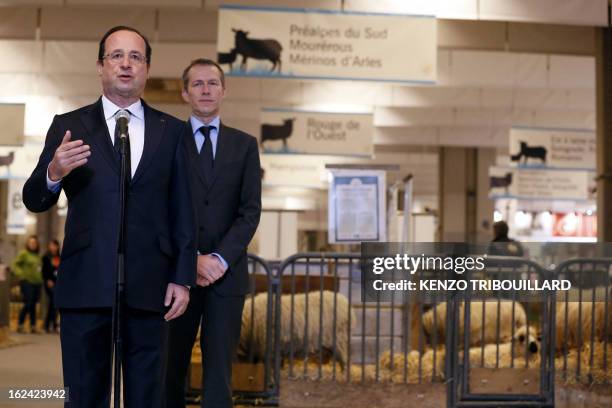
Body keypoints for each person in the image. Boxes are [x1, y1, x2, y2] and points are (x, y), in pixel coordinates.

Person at [22, 26, 196, 408]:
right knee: (83, 396)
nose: (126, 64)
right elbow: (34, 200)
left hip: (151, 289)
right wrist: (53, 173)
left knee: (148, 397)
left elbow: (184, 211)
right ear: (100, 66)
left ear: (147, 69)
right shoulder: (70, 125)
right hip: (86, 284)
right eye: (116, 55)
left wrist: (182, 278)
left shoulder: (174, 132)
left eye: (135, 57)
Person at [165, 59, 261, 408]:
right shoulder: (167, 141)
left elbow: (249, 212)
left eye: (212, 83)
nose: (205, 90)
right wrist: (190, 260)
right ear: (185, 92)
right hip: (177, 275)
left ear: (224, 90)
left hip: (227, 276)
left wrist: (218, 259)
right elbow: (159, 209)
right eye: (198, 84)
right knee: (169, 368)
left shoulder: (245, 145)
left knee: (219, 370)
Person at [12, 235, 43, 334]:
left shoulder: (38, 256)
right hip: (26, 282)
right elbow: (14, 264)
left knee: (33, 304)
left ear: (37, 244)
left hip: (37, 283)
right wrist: (21, 274)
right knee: (29, 303)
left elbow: (39, 269)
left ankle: (33, 326)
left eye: (34, 243)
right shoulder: (24, 254)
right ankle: (20, 325)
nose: (33, 244)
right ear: (28, 244)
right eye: (31, 242)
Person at [42, 239, 61, 333]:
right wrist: (47, 280)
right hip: (49, 283)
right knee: (53, 303)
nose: (53, 247)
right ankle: (49, 325)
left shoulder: (59, 257)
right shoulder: (46, 257)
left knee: (54, 304)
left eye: (55, 245)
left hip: (57, 283)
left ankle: (51, 325)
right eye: (51, 245)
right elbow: (44, 270)